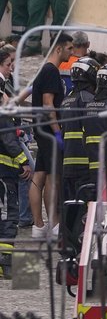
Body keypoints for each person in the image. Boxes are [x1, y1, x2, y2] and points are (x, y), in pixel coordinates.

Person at [29, 32, 72, 238]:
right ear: (59, 48)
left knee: (40, 175)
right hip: (48, 131)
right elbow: (48, 104)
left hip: (41, 130)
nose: (71, 53)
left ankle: (39, 227)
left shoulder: (45, 70)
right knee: (53, 178)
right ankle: (53, 224)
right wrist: (58, 133)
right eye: (69, 48)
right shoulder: (51, 71)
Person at [0, 45, 32, 278]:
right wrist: (23, 161)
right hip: (6, 168)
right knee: (9, 216)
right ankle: (9, 267)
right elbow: (7, 134)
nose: (12, 69)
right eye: (9, 64)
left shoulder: (5, 90)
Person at [60, 55, 98, 202]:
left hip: (68, 162)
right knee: (85, 206)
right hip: (84, 162)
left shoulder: (67, 99)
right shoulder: (87, 99)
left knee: (70, 204)